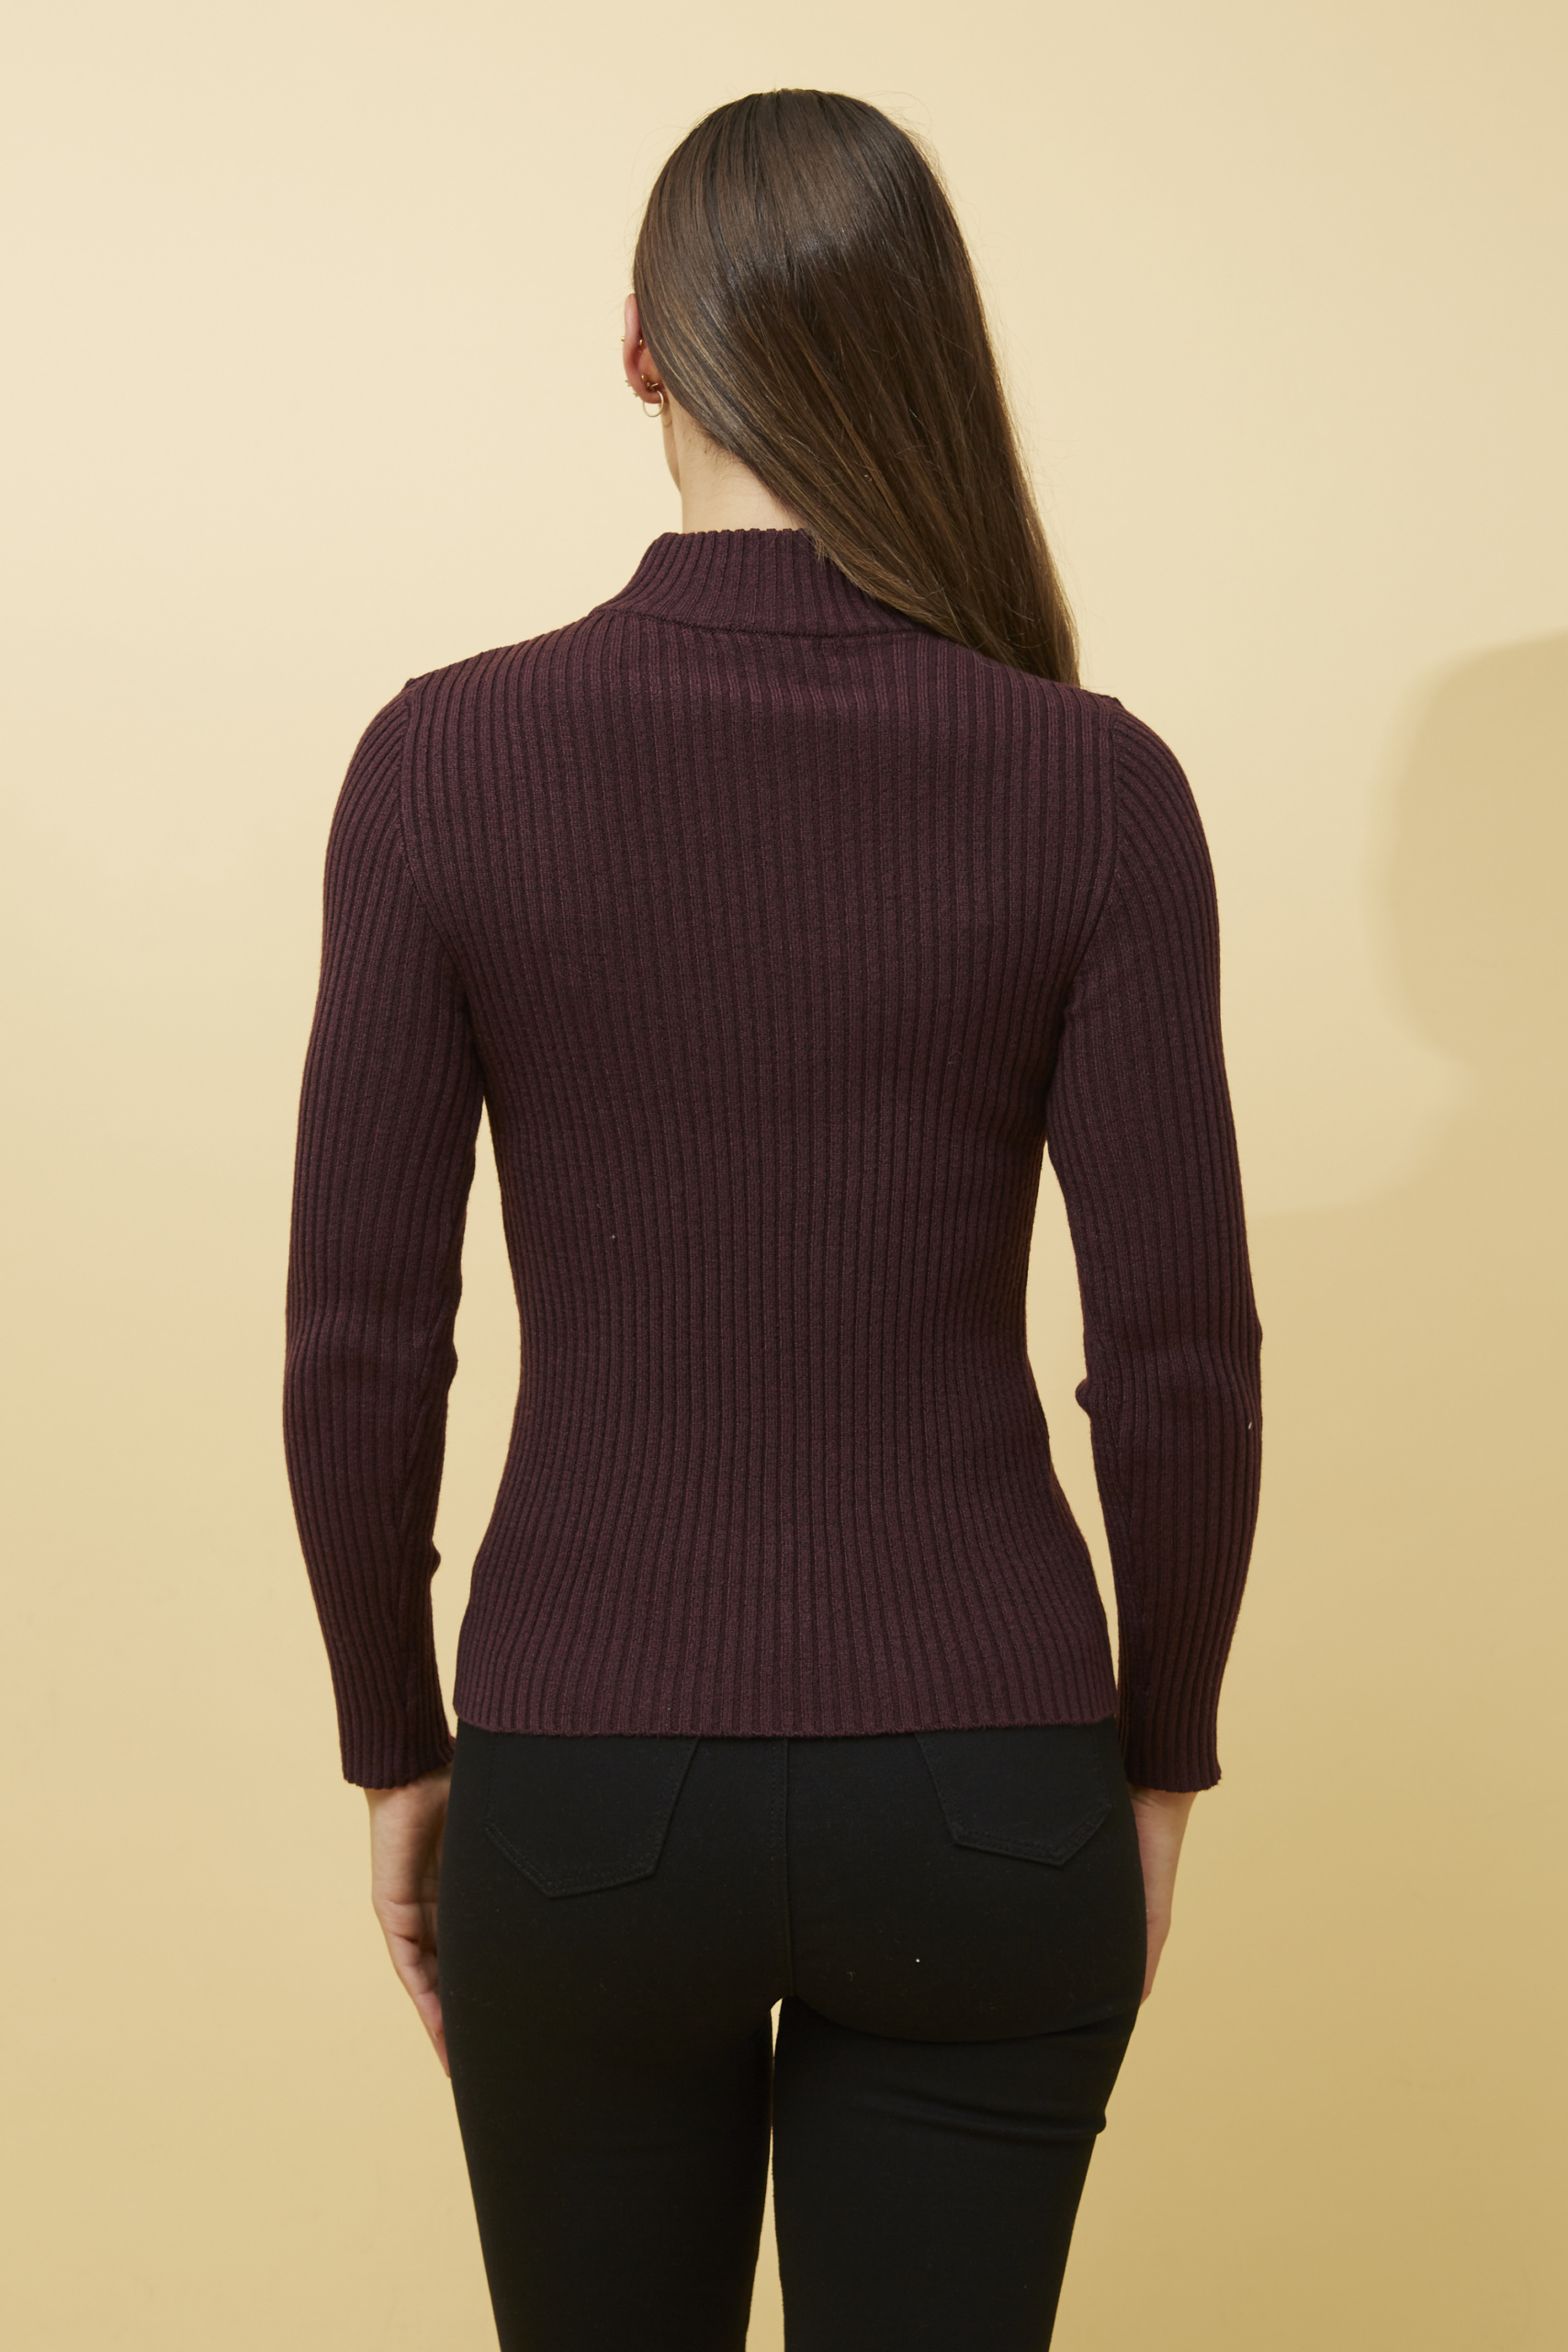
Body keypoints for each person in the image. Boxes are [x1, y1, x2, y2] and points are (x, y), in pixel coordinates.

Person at [283, 86, 1262, 2352]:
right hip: (989, 1785)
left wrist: (396, 1749)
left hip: (578, 1786)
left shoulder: (441, 763)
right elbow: (1176, 1364)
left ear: (639, 345)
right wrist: (1157, 1770)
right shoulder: (1092, 784)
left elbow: (362, 1345)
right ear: (919, 344)